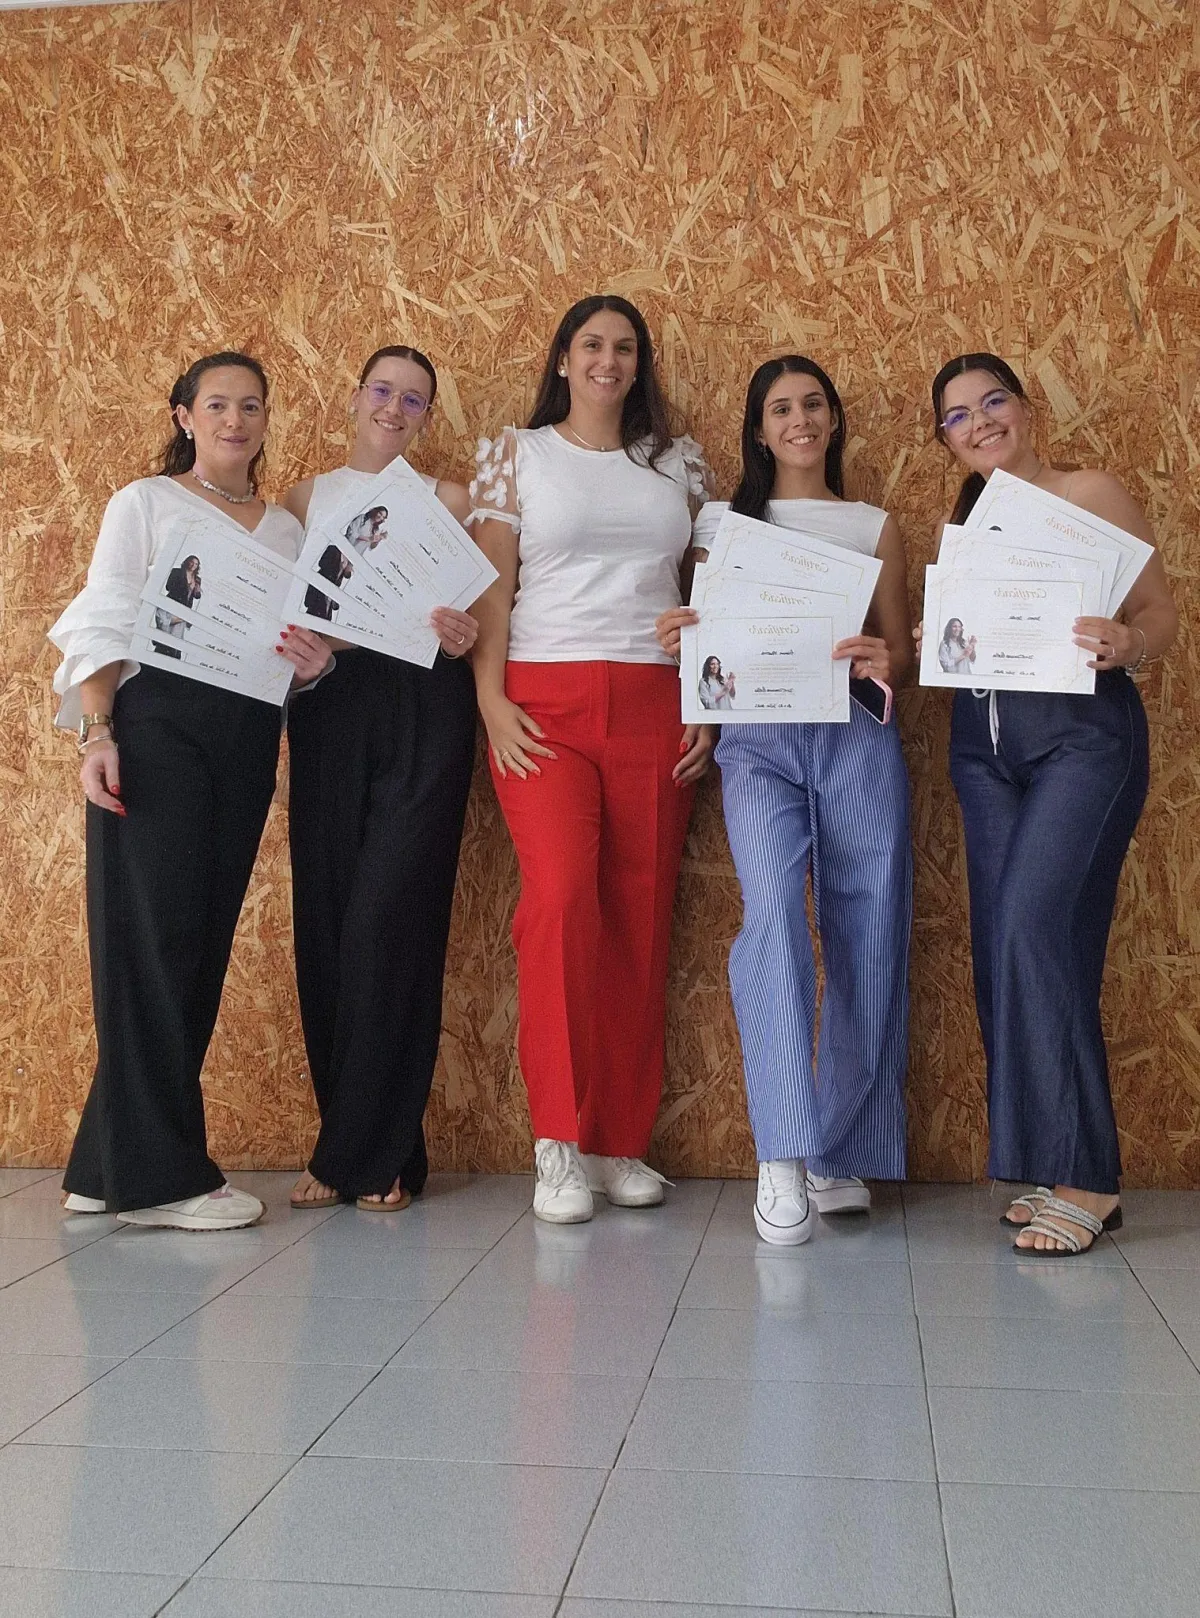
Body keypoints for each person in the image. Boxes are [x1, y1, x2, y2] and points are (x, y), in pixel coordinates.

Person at [48, 351, 331, 1230]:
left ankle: (105, 1166)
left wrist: (314, 670)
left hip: (244, 738)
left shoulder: (283, 529)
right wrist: (99, 732)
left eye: (251, 406)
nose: (235, 421)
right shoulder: (145, 503)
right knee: (153, 940)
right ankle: (165, 1179)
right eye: (217, 405)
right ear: (184, 417)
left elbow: (289, 651)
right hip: (157, 725)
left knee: (195, 945)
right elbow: (105, 615)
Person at [657, 355, 913, 1245]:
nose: (799, 420)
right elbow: (697, 634)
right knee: (770, 920)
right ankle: (782, 1150)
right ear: (759, 431)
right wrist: (678, 640)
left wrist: (889, 659)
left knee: (868, 926)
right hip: (758, 743)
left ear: (833, 421)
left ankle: (840, 1149)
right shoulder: (722, 523)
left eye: (813, 405)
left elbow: (898, 654)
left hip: (855, 732)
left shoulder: (874, 524)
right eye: (780, 408)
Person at [470, 294, 714, 1224]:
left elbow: (705, 591)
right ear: (563, 361)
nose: (609, 361)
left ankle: (618, 1141)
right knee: (564, 902)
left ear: (638, 363)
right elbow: (494, 586)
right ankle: (558, 1143)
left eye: (625, 348)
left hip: (655, 701)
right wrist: (490, 699)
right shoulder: (517, 453)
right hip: (543, 705)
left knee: (640, 916)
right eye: (592, 346)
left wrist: (707, 699)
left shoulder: (677, 465)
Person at [927, 351, 1177, 1255]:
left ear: (1024, 409)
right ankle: (1046, 1159)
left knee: (1038, 924)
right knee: (1006, 947)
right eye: (959, 415)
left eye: (993, 401)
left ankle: (1090, 1177)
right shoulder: (966, 525)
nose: (980, 420)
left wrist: (1127, 640)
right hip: (984, 749)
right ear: (946, 440)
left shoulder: (1089, 490)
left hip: (1084, 741)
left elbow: (1161, 611)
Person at [283, 344, 479, 1212]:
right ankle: (366, 1146)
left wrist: (466, 635)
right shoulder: (300, 501)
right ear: (354, 396)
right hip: (327, 714)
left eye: (414, 400)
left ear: (428, 417)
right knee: (327, 924)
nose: (395, 408)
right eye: (382, 391)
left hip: (424, 712)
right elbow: (274, 627)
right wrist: (301, 662)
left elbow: (481, 618)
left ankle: (369, 1153)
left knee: (388, 925)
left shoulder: (451, 503)